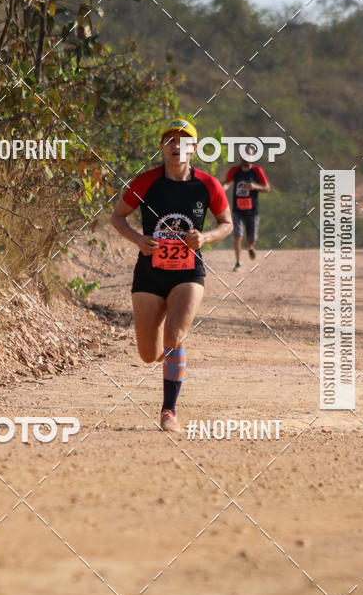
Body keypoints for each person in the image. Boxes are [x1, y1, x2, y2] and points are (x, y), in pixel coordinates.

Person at [111, 117, 232, 432]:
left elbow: (227, 223)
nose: (177, 146)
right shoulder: (146, 182)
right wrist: (138, 240)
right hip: (149, 275)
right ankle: (164, 331)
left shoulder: (207, 185)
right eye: (171, 141)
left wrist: (205, 238)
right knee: (149, 354)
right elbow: (118, 217)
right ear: (162, 147)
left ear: (194, 149)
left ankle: (169, 412)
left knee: (175, 337)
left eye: (184, 141)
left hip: (189, 273)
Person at [223, 145, 270, 270]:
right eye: (244, 155)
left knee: (251, 239)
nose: (246, 158)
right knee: (237, 235)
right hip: (237, 210)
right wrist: (223, 188)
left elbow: (267, 188)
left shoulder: (257, 171)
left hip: (252, 211)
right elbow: (227, 183)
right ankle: (238, 261)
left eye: (249, 155)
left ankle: (250, 247)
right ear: (240, 157)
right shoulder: (234, 170)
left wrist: (255, 186)